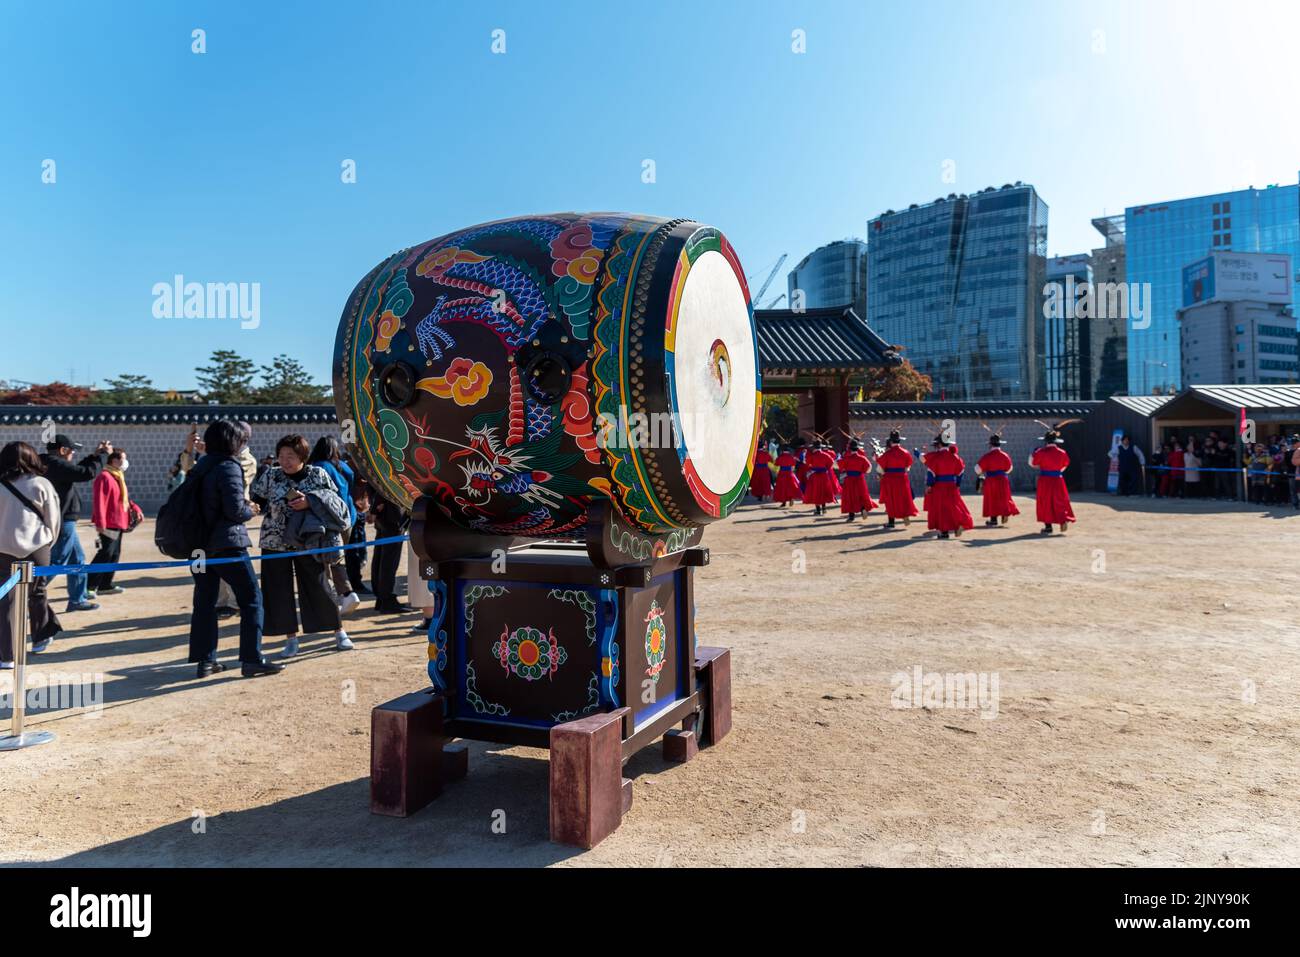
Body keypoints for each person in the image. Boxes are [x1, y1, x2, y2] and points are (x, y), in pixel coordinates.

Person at [186, 420, 283, 679]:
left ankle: (205, 661)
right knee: (252, 599)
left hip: (197, 546)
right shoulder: (229, 466)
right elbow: (234, 510)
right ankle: (252, 658)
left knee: (204, 601)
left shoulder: (201, 465)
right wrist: (250, 509)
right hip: (226, 543)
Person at [249, 434, 353, 656]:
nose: (285, 461)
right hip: (274, 542)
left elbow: (335, 502)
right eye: (282, 455)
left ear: (303, 457)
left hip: (310, 540)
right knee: (278, 591)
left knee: (320, 585)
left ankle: (338, 631)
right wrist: (249, 507)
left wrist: (310, 501)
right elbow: (256, 500)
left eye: (291, 456)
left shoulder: (318, 474)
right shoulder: (271, 476)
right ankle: (290, 639)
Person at [0, 441, 62, 666]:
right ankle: (40, 638)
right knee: (37, 592)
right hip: (37, 548)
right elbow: (53, 519)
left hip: (3, 550)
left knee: (5, 600)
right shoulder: (41, 484)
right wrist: (48, 542)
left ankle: (6, 655)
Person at [39, 434, 107, 611]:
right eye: (71, 451)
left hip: (63, 519)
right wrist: (100, 457)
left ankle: (77, 599)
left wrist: (94, 456)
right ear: (62, 450)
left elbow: (77, 470)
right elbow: (86, 473)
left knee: (77, 559)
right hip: (62, 521)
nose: (73, 454)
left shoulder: (50, 463)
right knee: (58, 561)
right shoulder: (56, 464)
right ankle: (25, 591)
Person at [308, 435, 361, 616]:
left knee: (325, 560)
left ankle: (337, 596)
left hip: (328, 519)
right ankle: (346, 594)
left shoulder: (318, 467)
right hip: (348, 516)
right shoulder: (341, 466)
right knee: (339, 557)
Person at [86, 448, 139, 597]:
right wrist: (100, 523)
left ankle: (105, 584)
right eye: (123, 458)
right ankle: (89, 585)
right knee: (105, 553)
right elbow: (99, 501)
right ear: (114, 460)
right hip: (109, 523)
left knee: (114, 554)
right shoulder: (104, 477)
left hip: (119, 521)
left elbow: (124, 498)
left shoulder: (118, 476)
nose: (125, 462)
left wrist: (135, 508)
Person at [922, 435, 973, 539]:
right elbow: (960, 472)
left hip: (939, 486)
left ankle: (943, 532)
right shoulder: (955, 456)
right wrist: (958, 484)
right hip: (952, 485)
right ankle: (959, 523)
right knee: (953, 506)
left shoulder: (936, 457)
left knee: (941, 509)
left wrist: (929, 485)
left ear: (939, 444)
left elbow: (931, 473)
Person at [369, 490, 409, 613]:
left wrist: (374, 508)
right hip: (392, 515)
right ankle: (386, 599)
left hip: (386, 514)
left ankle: (381, 598)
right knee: (389, 562)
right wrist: (374, 508)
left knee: (381, 558)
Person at [1030, 429, 1076, 534]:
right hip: (1058, 479)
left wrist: (1033, 454)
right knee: (1059, 501)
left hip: (1045, 480)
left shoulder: (1040, 452)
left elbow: (1033, 464)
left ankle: (1048, 527)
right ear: (1056, 441)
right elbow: (1065, 465)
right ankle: (1063, 519)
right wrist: (1057, 471)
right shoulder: (1062, 452)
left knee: (1045, 502)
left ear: (1045, 441)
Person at [874, 430, 917, 529]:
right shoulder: (906, 452)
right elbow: (908, 467)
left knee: (891, 500)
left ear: (890, 442)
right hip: (902, 477)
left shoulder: (887, 454)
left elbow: (880, 469)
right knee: (903, 498)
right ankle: (905, 515)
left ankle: (891, 522)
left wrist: (879, 476)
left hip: (890, 478)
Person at [975, 434, 1019, 526]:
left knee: (992, 499)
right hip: (1003, 479)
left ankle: (993, 520)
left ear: (990, 445)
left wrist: (983, 473)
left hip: (991, 480)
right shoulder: (1005, 455)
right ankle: (1004, 513)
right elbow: (1009, 469)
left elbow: (977, 469)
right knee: (1003, 497)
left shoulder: (987, 456)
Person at [836, 440, 876, 522]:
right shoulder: (862, 458)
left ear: (850, 449)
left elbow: (836, 465)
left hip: (849, 479)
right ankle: (862, 509)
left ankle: (851, 516)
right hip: (859, 478)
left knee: (850, 496)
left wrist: (838, 459)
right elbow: (869, 468)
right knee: (860, 495)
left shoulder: (846, 458)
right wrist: (863, 471)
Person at [801, 441, 837, 516]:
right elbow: (831, 464)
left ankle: (818, 510)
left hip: (815, 476)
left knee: (816, 491)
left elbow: (807, 463)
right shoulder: (826, 455)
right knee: (823, 491)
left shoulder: (812, 456)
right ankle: (824, 508)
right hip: (824, 475)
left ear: (814, 447)